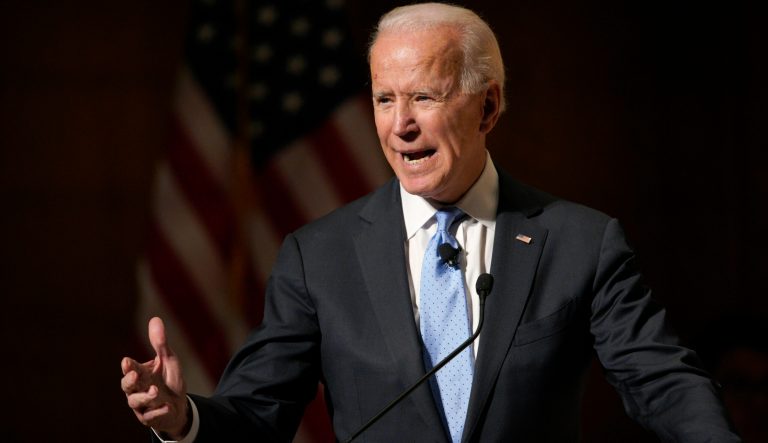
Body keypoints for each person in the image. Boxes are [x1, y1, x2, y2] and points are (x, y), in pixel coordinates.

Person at [121, 3, 741, 442]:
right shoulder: (320, 256)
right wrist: (183, 420)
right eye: (385, 99)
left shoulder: (579, 242)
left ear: (489, 106)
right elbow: (258, 416)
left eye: (424, 96)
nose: (400, 125)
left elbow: (659, 379)